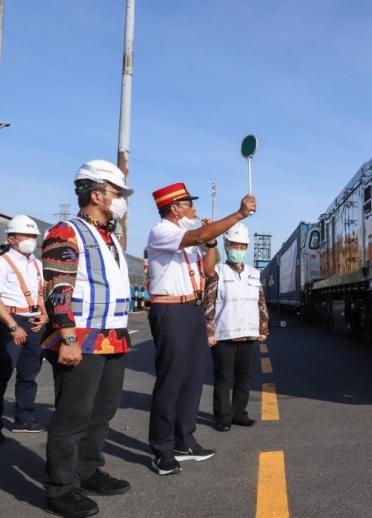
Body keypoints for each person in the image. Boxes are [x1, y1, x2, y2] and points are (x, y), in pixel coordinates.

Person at [41, 160, 134, 517]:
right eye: (117, 193)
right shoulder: (67, 232)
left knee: (102, 412)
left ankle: (87, 469)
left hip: (113, 338)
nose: (122, 199)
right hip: (79, 337)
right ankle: (60, 487)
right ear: (97, 194)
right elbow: (58, 286)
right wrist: (66, 337)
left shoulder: (108, 237)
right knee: (73, 415)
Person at [146, 182, 256, 476]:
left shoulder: (187, 240)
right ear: (174, 208)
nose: (194, 209)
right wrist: (237, 215)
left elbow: (209, 270)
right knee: (171, 380)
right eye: (189, 204)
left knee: (192, 380)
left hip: (191, 308)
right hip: (170, 308)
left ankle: (185, 440)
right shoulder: (163, 231)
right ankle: (162, 448)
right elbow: (198, 234)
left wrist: (210, 244)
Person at [204, 222, 268, 432]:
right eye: (234, 245)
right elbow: (209, 302)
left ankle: (239, 413)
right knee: (223, 378)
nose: (238, 250)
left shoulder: (253, 273)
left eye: (241, 246)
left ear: (247, 248)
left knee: (244, 377)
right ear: (226, 245)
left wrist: (263, 327)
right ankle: (222, 417)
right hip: (224, 335)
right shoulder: (218, 272)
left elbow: (260, 302)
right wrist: (209, 331)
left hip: (249, 334)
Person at [0, 215, 48, 439]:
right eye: (26, 235)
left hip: (34, 323)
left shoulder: (37, 265)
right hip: (10, 323)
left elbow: (42, 293)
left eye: (33, 236)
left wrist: (44, 315)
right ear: (11, 239)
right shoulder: (2, 262)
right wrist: (11, 326)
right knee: (2, 374)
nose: (31, 239)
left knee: (29, 374)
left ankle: (24, 419)